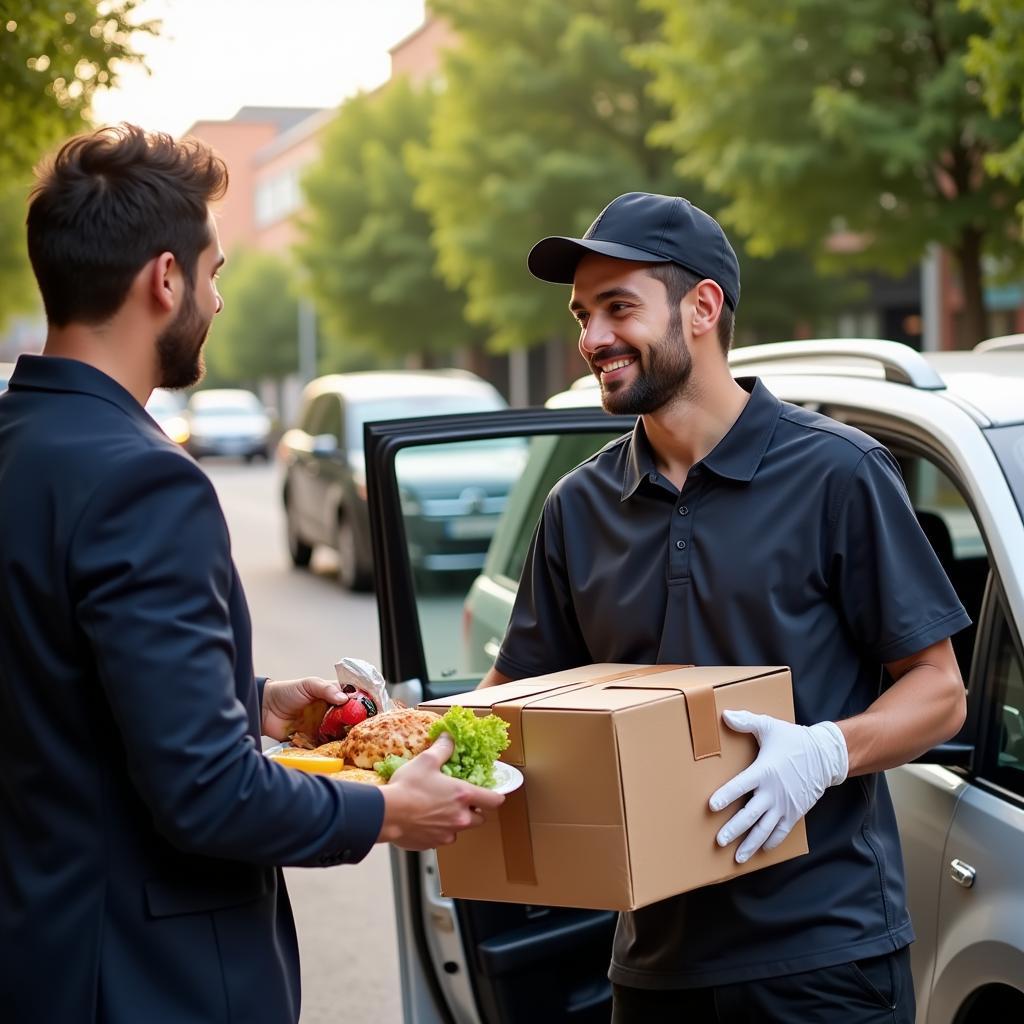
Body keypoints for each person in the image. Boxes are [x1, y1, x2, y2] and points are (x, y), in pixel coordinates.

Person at [0, 124, 503, 1024]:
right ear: (165, 279)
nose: (219, 300)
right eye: (216, 272)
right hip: (148, 981)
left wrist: (251, 696)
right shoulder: (143, 479)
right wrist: (389, 811)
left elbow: (54, 684)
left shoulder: (20, 446)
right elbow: (205, 794)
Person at [480, 192, 968, 1023]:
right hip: (651, 967)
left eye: (617, 307)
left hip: (826, 960)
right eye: (582, 314)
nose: (591, 338)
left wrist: (824, 750)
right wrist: (395, 730)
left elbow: (939, 690)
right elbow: (513, 700)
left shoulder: (838, 474)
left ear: (702, 307)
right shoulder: (578, 506)